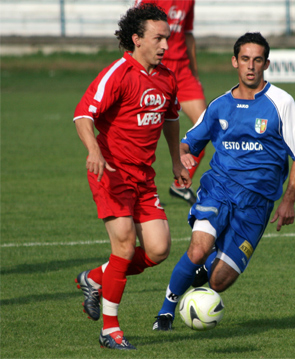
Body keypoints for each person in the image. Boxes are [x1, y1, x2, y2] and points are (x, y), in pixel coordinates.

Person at [152, 32, 295, 331]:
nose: (251, 66)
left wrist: (288, 200)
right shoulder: (220, 105)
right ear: (234, 62)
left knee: (219, 280)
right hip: (218, 190)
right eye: (245, 59)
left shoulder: (281, 102)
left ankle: (199, 275)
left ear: (266, 63)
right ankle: (166, 313)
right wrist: (182, 156)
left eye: (258, 60)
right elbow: (188, 142)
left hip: (257, 203)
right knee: (197, 249)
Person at [73, 3, 191, 349]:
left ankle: (95, 278)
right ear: (137, 39)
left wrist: (176, 160)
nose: (166, 46)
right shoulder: (118, 74)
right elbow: (83, 115)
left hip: (143, 178)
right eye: (158, 39)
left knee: (158, 250)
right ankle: (110, 329)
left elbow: (171, 120)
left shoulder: (167, 78)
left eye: (167, 39)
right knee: (124, 244)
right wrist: (94, 150)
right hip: (110, 173)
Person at [135, 0, 207, 205]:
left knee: (206, 126)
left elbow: (188, 35)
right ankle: (139, 189)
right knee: (143, 129)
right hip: (157, 68)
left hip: (183, 72)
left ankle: (181, 182)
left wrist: (195, 74)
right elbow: (135, 30)